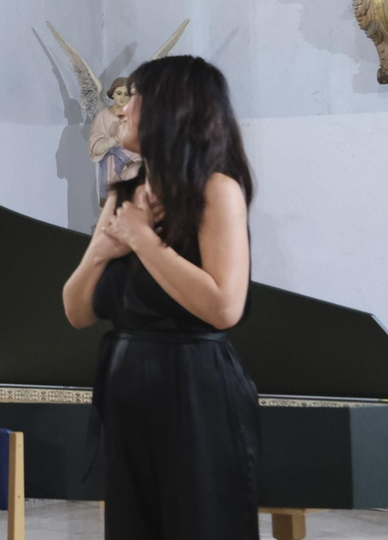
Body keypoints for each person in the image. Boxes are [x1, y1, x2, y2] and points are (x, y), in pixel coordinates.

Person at [61, 55, 258, 539]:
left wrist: (145, 241)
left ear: (172, 107)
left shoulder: (217, 190)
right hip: (127, 386)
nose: (123, 110)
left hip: (196, 389)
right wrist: (100, 253)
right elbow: (76, 311)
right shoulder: (123, 192)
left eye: (134, 99)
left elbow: (224, 306)